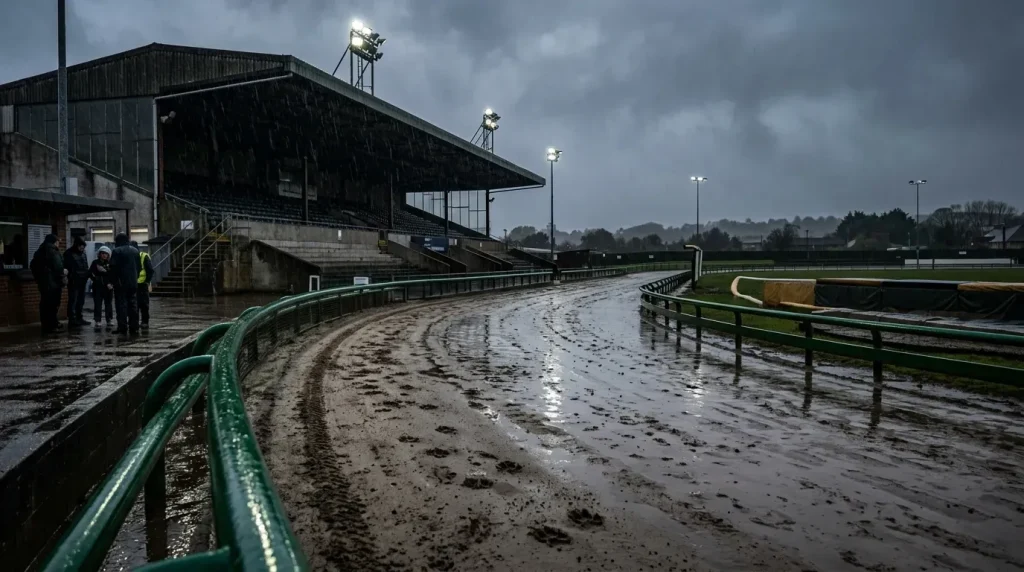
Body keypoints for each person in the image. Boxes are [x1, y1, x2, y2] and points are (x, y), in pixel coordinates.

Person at [30, 233, 67, 334]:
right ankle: (51, 326)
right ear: (54, 242)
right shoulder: (53, 251)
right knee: (52, 304)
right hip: (53, 283)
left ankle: (47, 324)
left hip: (43, 283)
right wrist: (63, 274)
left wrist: (39, 278)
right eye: (58, 242)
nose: (59, 244)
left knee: (45, 304)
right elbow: (58, 267)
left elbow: (32, 265)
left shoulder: (39, 251)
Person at [110, 233, 141, 335]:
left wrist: (114, 281)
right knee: (133, 305)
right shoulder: (135, 251)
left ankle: (122, 327)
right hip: (133, 282)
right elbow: (139, 267)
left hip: (120, 283)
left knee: (121, 305)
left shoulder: (116, 251)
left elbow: (113, 268)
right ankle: (134, 326)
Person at [63, 237, 91, 326]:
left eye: (83, 247)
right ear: (77, 245)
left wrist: (87, 275)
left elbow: (85, 265)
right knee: (73, 300)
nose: (82, 249)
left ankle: (79, 317)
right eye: (81, 247)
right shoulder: (68, 253)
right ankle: (72, 319)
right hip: (74, 281)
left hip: (82, 280)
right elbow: (67, 267)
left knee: (81, 300)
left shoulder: (83, 253)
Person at [90, 246, 114, 331]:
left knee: (108, 304)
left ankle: (109, 319)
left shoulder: (111, 263)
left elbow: (113, 274)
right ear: (99, 254)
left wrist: (111, 283)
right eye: (102, 253)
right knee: (98, 304)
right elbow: (91, 274)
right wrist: (97, 280)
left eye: (106, 254)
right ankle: (97, 320)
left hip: (108, 287)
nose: (104, 255)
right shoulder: (95, 263)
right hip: (98, 287)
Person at [131, 241, 154, 328]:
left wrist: (147, 281)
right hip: (134, 284)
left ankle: (144, 322)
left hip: (142, 284)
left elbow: (150, 270)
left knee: (143, 304)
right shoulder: (132, 257)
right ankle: (136, 322)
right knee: (135, 305)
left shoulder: (143, 256)